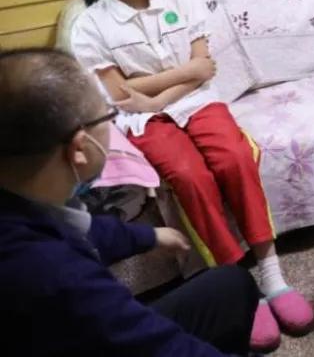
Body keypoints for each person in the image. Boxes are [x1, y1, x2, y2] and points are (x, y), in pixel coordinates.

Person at [70, 0, 314, 352]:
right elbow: (121, 94)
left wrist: (159, 90)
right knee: (189, 176)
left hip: (195, 101)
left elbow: (205, 69)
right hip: (143, 120)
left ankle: (272, 274)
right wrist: (182, 76)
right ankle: (238, 282)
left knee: (235, 157)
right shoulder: (91, 26)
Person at [0, 48, 260, 355]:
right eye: (107, 116)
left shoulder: (27, 203)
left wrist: (148, 236)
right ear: (79, 148)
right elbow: (161, 345)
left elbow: (82, 229)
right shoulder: (56, 274)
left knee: (231, 285)